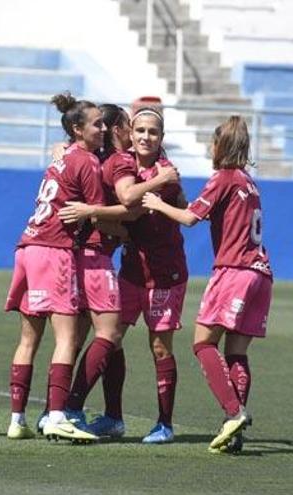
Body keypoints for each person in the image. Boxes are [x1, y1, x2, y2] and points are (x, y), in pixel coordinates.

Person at [58, 104, 186, 444]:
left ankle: (164, 424)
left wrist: (93, 213)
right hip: (132, 269)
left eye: (152, 132)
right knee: (110, 337)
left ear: (162, 138)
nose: (145, 137)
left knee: (159, 347)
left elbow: (131, 206)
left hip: (165, 272)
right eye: (140, 130)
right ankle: (88, 412)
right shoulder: (123, 162)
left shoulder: (166, 173)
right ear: (129, 132)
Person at [142, 115, 269, 454]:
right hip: (261, 272)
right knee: (237, 351)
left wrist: (157, 202)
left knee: (202, 343)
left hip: (234, 270)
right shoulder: (248, 181)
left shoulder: (223, 177)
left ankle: (233, 412)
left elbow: (190, 218)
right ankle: (234, 432)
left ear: (220, 146)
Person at [4, 92, 104, 443]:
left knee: (29, 340)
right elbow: (98, 211)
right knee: (68, 337)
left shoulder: (61, 159)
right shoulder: (87, 162)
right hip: (53, 249)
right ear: (77, 129)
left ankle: (17, 419)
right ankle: (58, 416)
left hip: (27, 247)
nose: (103, 128)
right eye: (97, 124)